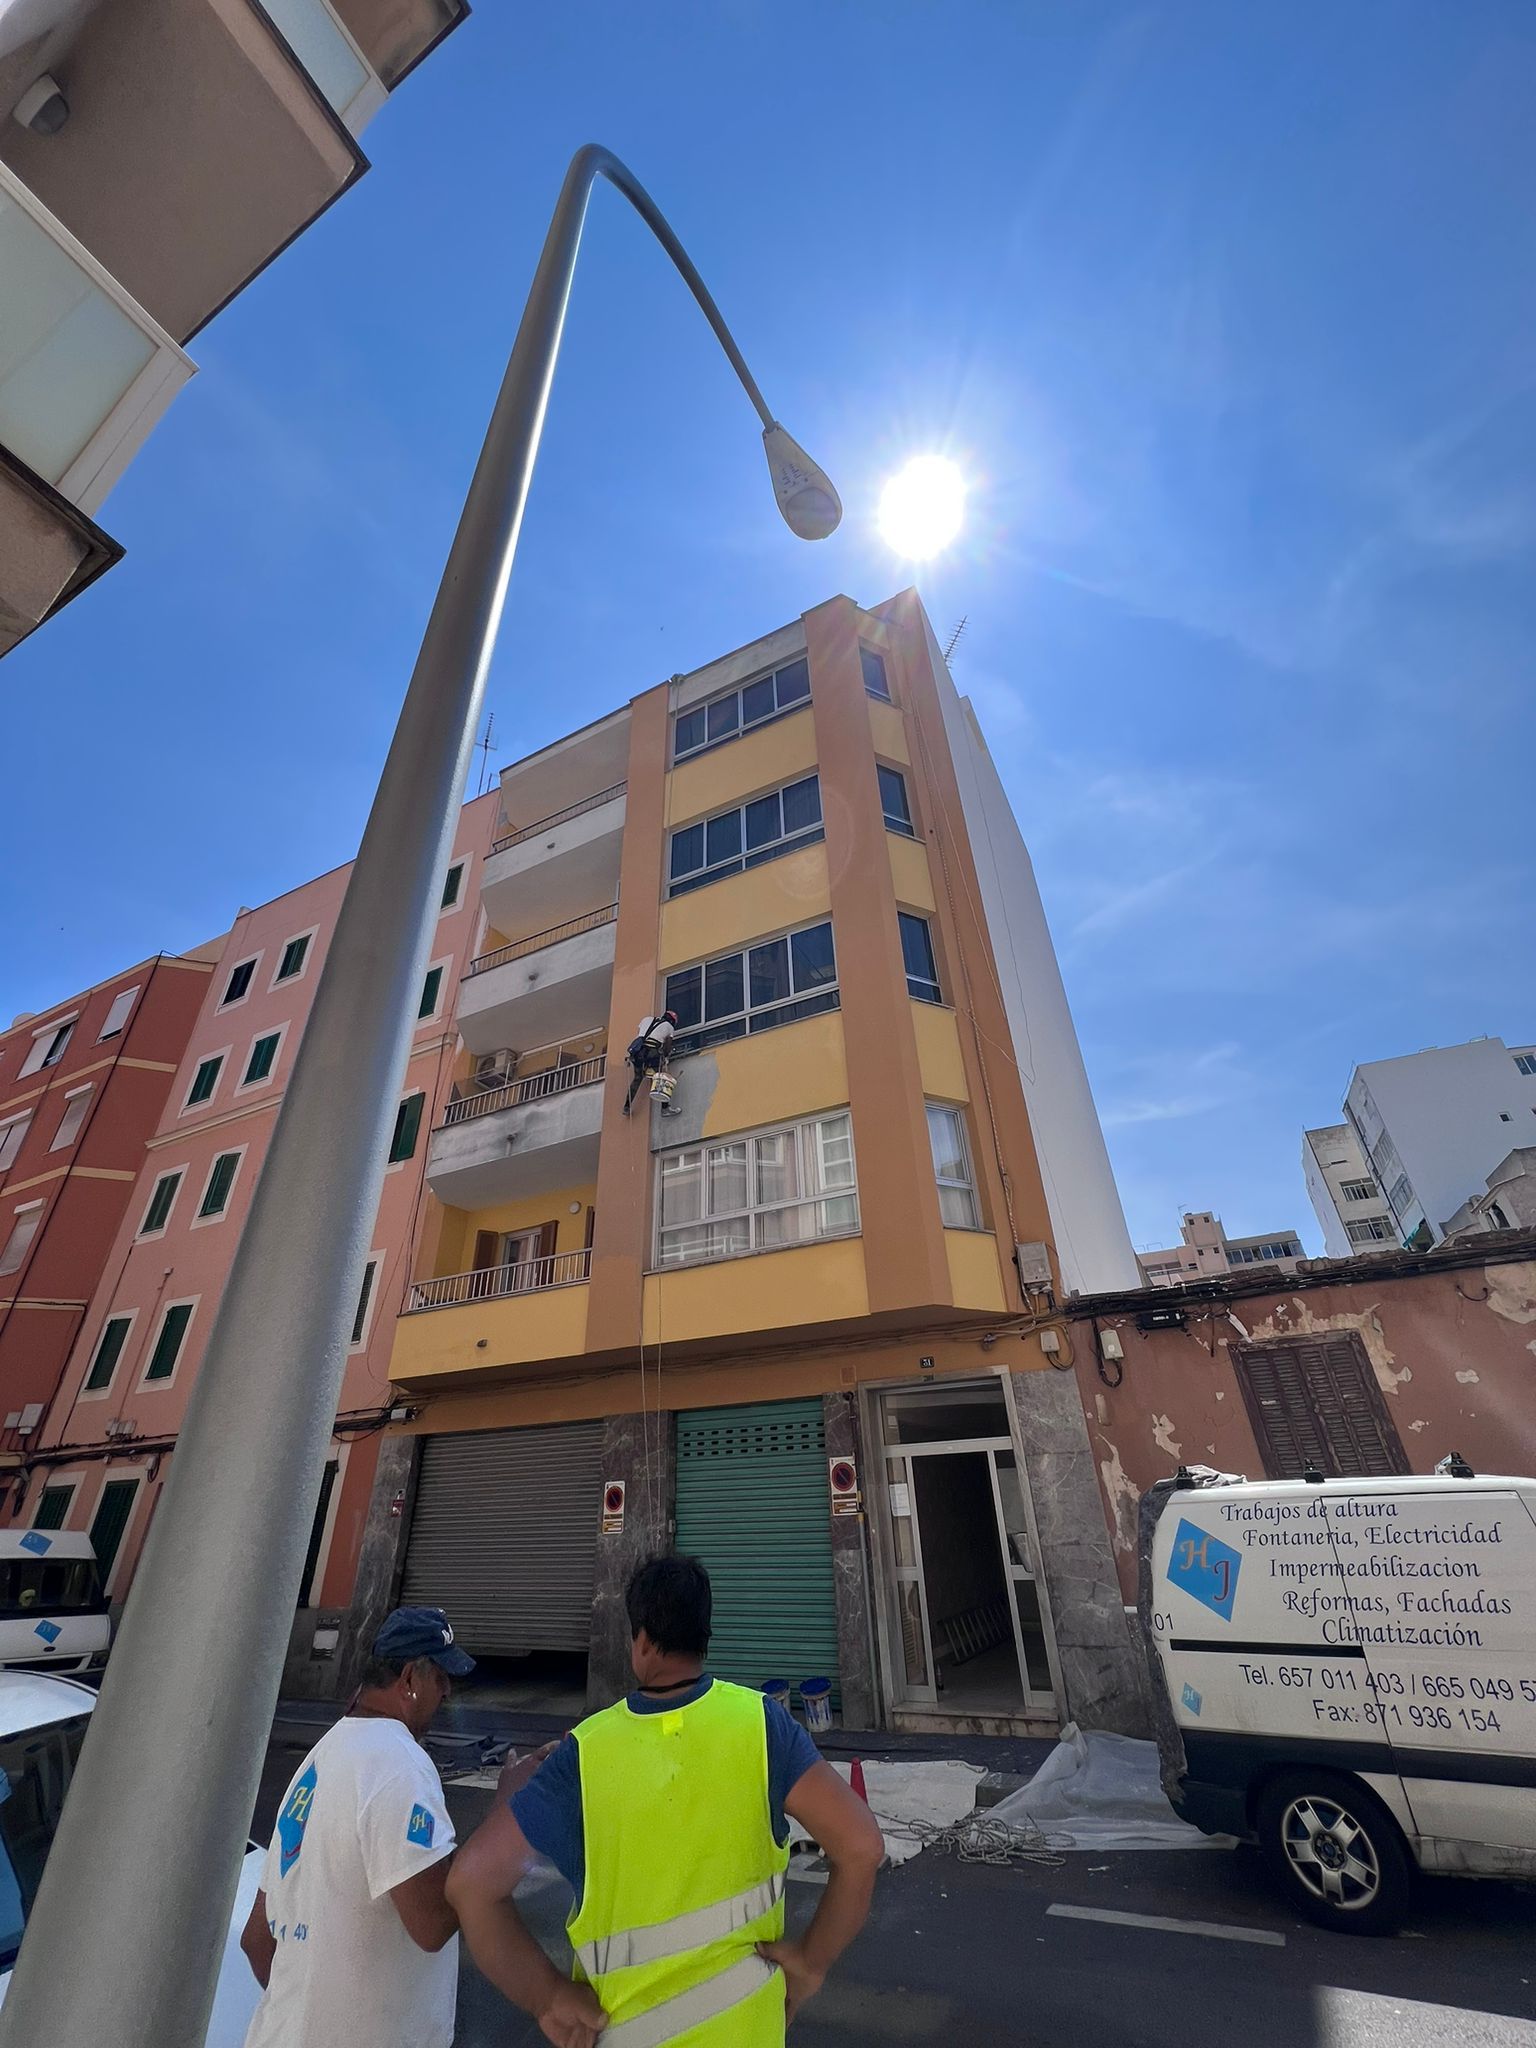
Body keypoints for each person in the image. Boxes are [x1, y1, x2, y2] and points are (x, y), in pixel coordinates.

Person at [447, 1556, 883, 2047]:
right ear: (704, 1636)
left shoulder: (584, 1755)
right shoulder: (762, 1725)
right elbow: (861, 1847)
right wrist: (811, 1962)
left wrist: (547, 1997)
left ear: (643, 1642)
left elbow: (471, 1885)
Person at [239, 1606, 495, 2048]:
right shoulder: (399, 1764)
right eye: (441, 1677)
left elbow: (256, 1940)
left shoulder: (318, 1760)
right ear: (410, 1678)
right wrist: (506, 1815)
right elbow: (433, 1922)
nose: (447, 1691)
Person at [622, 1010, 678, 1113]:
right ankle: (665, 1108)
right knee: (661, 1077)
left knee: (637, 1079)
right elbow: (667, 1045)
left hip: (638, 1052)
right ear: (672, 1021)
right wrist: (666, 1056)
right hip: (652, 1053)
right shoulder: (669, 1027)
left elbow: (639, 1034)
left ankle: (626, 1107)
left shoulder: (646, 1019)